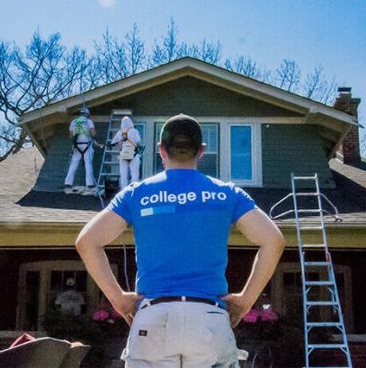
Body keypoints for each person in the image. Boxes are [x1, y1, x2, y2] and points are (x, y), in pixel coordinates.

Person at [76, 114, 285, 368]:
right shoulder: (227, 194)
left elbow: (87, 242)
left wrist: (118, 299)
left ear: (161, 150)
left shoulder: (136, 194)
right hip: (209, 318)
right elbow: (273, 240)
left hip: (153, 317)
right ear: (201, 150)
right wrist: (245, 301)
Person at [64, 106, 97, 195]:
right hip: (87, 145)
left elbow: (71, 136)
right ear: (87, 114)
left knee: (74, 164)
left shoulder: (74, 122)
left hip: (77, 146)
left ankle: (68, 183)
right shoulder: (88, 121)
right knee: (88, 164)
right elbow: (93, 134)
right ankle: (89, 184)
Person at [110, 116, 142, 189]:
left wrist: (120, 142)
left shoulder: (119, 132)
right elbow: (138, 141)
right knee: (134, 173)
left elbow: (113, 142)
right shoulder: (134, 131)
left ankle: (123, 190)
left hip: (123, 154)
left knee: (123, 173)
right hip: (133, 154)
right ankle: (134, 189)